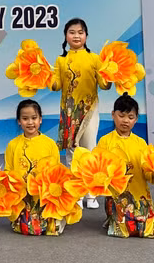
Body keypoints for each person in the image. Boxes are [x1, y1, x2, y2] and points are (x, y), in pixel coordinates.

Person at [48, 17, 111, 208]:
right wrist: (44, 76)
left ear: (86, 36)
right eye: (72, 32)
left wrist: (112, 74)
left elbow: (104, 85)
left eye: (80, 32)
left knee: (89, 151)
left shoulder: (95, 59)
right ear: (65, 36)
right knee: (72, 155)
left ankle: (91, 194)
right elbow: (56, 85)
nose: (76, 35)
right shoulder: (61, 60)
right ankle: (76, 193)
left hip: (89, 111)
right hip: (68, 113)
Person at [97, 93, 154, 239]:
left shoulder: (141, 143)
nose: (125, 121)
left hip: (139, 192)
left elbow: (148, 174)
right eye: (121, 115)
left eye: (130, 117)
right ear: (113, 115)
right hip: (118, 194)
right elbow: (99, 170)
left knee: (149, 231)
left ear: (136, 119)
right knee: (122, 229)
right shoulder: (105, 142)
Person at [4, 99, 63, 235]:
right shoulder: (13, 145)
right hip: (23, 197)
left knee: (43, 228)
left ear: (40, 120)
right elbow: (8, 172)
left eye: (34, 118)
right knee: (25, 228)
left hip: (43, 196)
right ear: (19, 121)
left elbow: (57, 173)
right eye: (25, 119)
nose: (30, 123)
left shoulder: (50, 144)